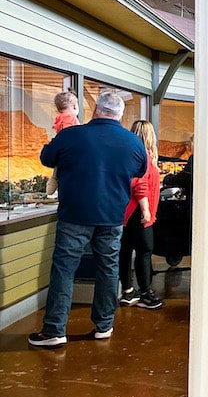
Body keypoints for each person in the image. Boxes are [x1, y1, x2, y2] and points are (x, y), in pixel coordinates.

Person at [28, 90, 147, 347]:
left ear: (95, 110)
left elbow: (47, 157)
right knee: (108, 268)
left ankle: (54, 330)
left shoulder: (71, 135)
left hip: (74, 215)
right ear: (120, 114)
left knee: (64, 270)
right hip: (113, 217)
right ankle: (104, 325)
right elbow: (140, 170)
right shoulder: (133, 143)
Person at [118, 121, 164, 310]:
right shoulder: (142, 156)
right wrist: (146, 210)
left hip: (126, 212)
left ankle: (128, 291)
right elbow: (140, 184)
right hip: (138, 211)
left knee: (126, 250)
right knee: (145, 250)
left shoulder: (129, 155)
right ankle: (146, 293)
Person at [45, 90, 80, 197]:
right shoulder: (70, 118)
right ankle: (52, 184)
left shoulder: (59, 118)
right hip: (70, 150)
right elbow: (69, 133)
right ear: (74, 106)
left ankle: (51, 185)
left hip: (61, 151)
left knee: (58, 168)